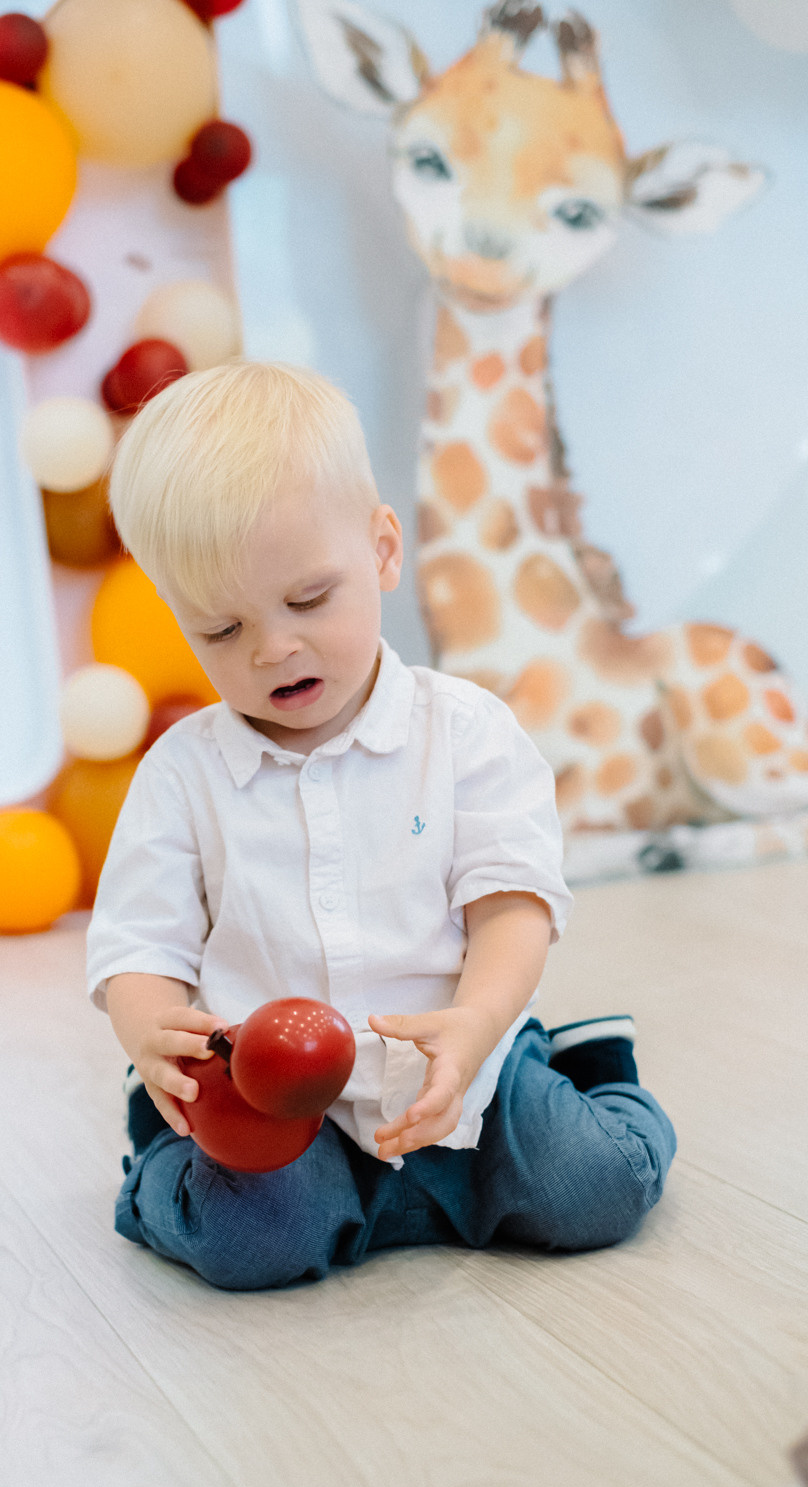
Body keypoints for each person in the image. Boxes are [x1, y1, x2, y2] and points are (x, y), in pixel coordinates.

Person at [86, 361, 676, 1291]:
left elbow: (511, 903)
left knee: (594, 1189)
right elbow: (137, 943)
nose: (275, 647)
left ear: (382, 550)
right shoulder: (181, 776)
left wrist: (481, 1022)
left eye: (309, 600)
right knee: (248, 1250)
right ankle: (165, 1158)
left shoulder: (466, 730)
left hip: (466, 1062)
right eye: (221, 630)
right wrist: (152, 1030)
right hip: (278, 1107)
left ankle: (590, 1070)